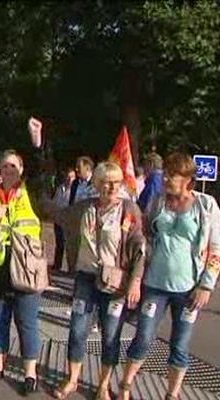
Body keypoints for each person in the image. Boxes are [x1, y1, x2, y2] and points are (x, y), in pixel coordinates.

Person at [119, 153, 220, 400]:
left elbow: (217, 249)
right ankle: (124, 386)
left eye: (173, 175)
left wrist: (206, 286)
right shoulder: (157, 201)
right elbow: (143, 237)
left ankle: (172, 393)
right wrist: (135, 276)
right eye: (166, 173)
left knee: (180, 344)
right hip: (155, 284)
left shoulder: (206, 206)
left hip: (189, 289)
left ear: (188, 179)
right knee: (143, 337)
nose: (166, 178)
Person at [49, 162, 146, 400]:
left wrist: (135, 281)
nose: (110, 187)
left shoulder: (129, 210)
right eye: (105, 181)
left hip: (115, 283)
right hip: (85, 278)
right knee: (78, 329)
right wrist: (41, 162)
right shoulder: (84, 208)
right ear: (96, 184)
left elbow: (140, 249)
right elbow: (53, 212)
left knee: (111, 334)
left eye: (115, 182)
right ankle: (72, 379)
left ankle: (103, 385)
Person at [0, 149, 42, 395]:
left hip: (25, 266)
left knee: (26, 322)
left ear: (22, 169)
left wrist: (36, 143)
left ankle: (29, 374)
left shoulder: (30, 192)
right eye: (4, 166)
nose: (8, 170)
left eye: (14, 166)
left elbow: (41, 169)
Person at [52, 167, 76, 271]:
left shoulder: (74, 191)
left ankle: (71, 267)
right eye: (68, 177)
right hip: (59, 220)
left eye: (72, 177)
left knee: (70, 245)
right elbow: (55, 203)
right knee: (59, 244)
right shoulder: (60, 189)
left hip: (69, 221)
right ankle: (57, 265)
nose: (69, 179)